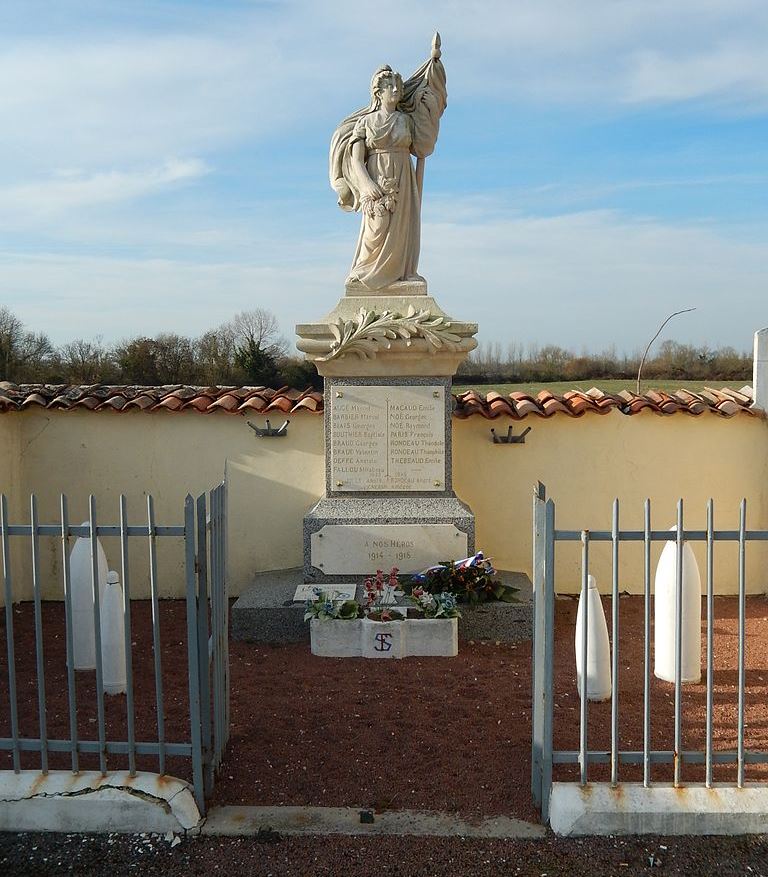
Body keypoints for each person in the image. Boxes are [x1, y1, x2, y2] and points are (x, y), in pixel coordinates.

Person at [329, 37, 447, 291]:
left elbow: (422, 146)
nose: (395, 90)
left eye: (397, 87)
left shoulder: (405, 121)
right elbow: (355, 158)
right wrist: (365, 183)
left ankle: (403, 273)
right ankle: (365, 273)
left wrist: (429, 103)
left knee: (402, 229)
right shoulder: (366, 123)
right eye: (390, 87)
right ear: (378, 93)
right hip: (376, 178)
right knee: (376, 229)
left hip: (402, 177)